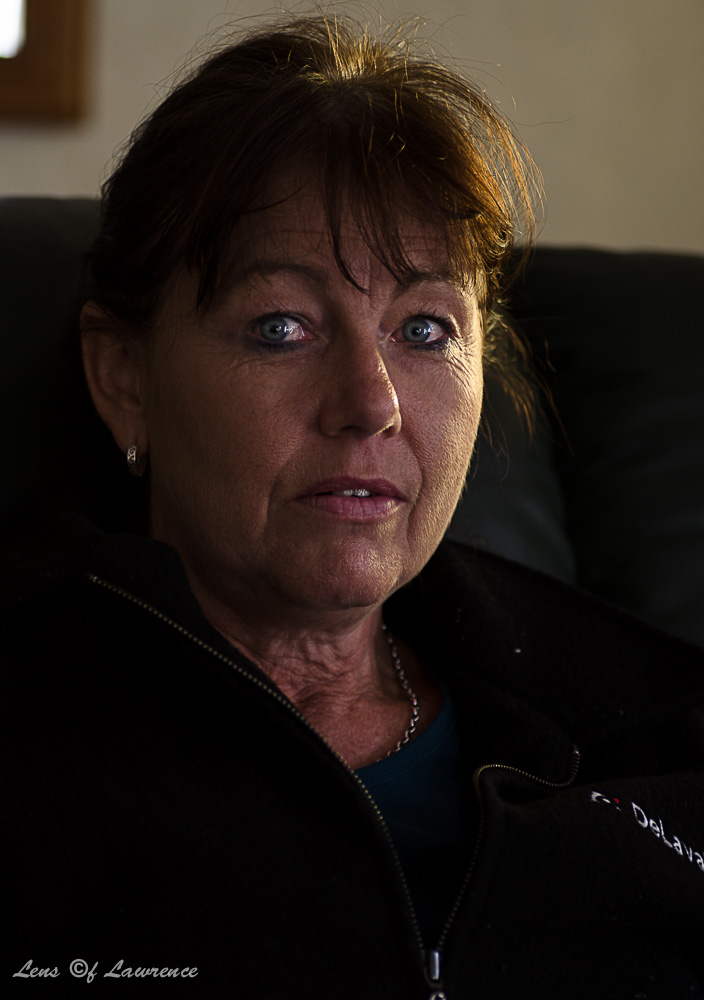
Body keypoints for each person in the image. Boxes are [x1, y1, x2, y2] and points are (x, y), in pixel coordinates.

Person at [3, 12, 704, 998]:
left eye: (424, 329)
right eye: (281, 326)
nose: (372, 403)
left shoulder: (654, 726)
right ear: (124, 376)